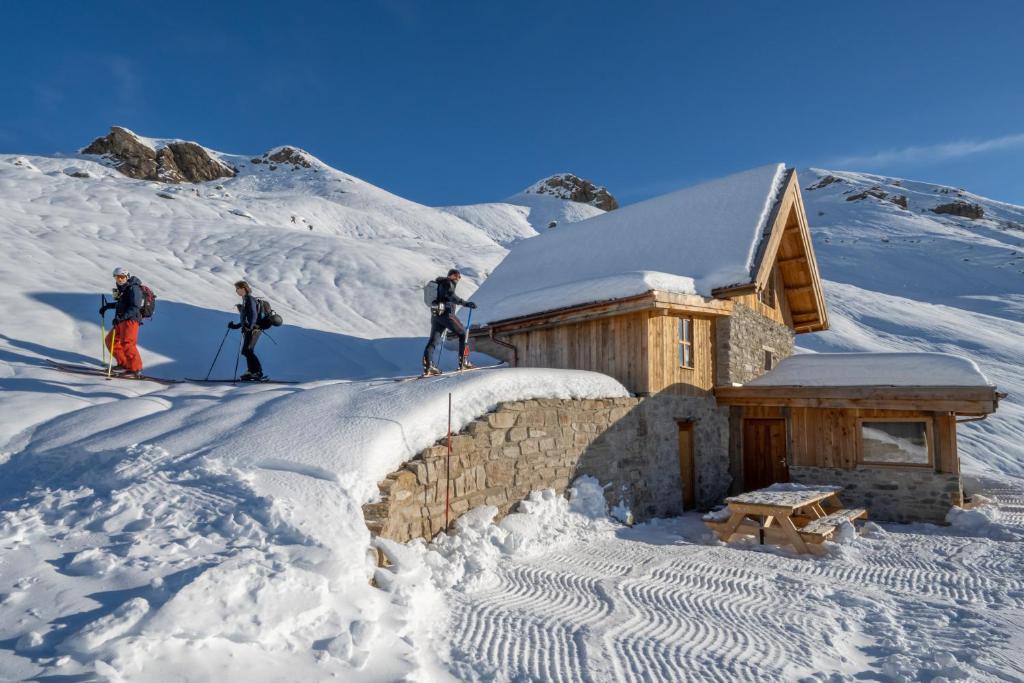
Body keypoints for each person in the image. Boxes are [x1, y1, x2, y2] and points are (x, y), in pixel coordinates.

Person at [422, 268, 477, 375]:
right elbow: (451, 296)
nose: (458, 278)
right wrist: (465, 303)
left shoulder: (440, 284)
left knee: (433, 341)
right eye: (456, 276)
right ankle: (464, 362)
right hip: (447, 314)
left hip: (436, 315)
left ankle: (428, 367)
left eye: (459, 277)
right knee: (463, 334)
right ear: (450, 276)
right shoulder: (448, 283)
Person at [99, 267, 144, 378]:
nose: (119, 280)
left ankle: (136, 369)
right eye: (117, 277)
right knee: (110, 340)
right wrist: (108, 306)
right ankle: (123, 363)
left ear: (127, 277)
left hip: (131, 320)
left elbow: (135, 307)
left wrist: (122, 317)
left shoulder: (134, 288)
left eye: (122, 277)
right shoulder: (123, 289)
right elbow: (122, 304)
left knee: (127, 343)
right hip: (122, 319)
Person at [228, 280, 264, 381]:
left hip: (254, 329)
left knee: (247, 350)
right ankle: (252, 371)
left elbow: (253, 314)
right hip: (250, 329)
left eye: (237, 289)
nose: (236, 291)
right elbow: (246, 318)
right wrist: (235, 326)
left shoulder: (249, 299)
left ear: (243, 288)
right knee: (247, 351)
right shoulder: (245, 299)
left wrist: (250, 326)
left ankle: (257, 372)